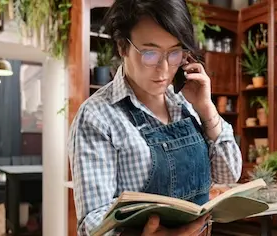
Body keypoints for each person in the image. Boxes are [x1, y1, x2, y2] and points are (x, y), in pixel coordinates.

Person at [68, 0, 243, 235]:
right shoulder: (98, 117)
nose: (163, 69)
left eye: (174, 53)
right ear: (122, 47)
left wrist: (206, 108)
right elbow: (93, 224)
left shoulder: (186, 103)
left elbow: (228, 174)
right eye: (150, 53)